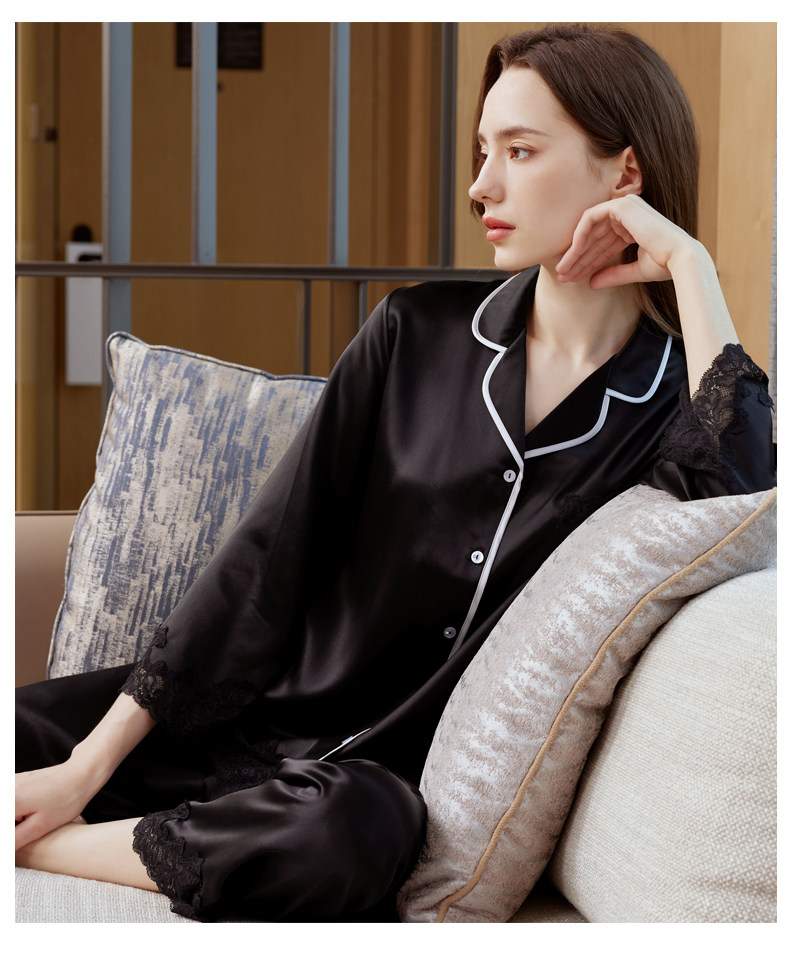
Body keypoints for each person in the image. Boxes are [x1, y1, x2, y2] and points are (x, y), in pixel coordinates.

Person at [16, 24, 775, 923]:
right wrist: (84, 767)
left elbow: (740, 504)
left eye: (520, 151)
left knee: (356, 832)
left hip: (353, 793)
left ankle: (44, 845)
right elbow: (265, 562)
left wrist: (691, 266)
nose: (480, 185)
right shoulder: (415, 332)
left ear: (625, 173)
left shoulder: (668, 408)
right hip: (235, 722)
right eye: (483, 150)